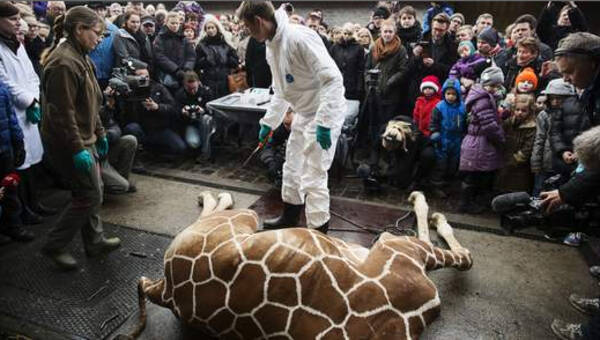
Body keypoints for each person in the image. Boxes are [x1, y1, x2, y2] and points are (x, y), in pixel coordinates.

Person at [236, 1, 345, 233]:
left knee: (314, 174)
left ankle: (318, 231)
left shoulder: (299, 38)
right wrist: (269, 123)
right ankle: (290, 216)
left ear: (259, 21)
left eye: (249, 27)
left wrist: (324, 123)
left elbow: (333, 80)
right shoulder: (271, 45)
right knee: (292, 166)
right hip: (303, 111)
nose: (249, 33)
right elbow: (281, 89)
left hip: (325, 111)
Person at [40, 6, 121, 270]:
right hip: (68, 141)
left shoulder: (80, 55)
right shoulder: (64, 62)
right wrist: (77, 148)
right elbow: (62, 113)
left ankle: (94, 241)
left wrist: (98, 132)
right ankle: (54, 245)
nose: (99, 39)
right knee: (89, 195)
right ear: (79, 30)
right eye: (96, 33)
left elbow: (90, 100)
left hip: (84, 135)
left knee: (91, 190)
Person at [0, 3, 51, 225]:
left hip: (29, 109)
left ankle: (34, 203)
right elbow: (5, 83)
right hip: (13, 112)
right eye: (13, 19)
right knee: (19, 164)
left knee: (31, 163)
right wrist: (27, 101)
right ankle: (23, 212)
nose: (18, 23)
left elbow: (31, 75)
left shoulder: (18, 45)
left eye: (19, 18)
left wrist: (34, 100)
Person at [459, 66, 506, 213]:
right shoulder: (483, 100)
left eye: (497, 86)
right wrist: (501, 139)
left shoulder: (481, 96)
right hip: (480, 143)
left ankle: (472, 201)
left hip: (477, 141)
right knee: (475, 175)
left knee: (477, 174)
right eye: (493, 86)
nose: (495, 89)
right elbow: (489, 125)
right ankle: (467, 203)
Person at [0, 77, 33, 243]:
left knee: (9, 189)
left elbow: (11, 116)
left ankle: (13, 226)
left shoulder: (1, 87)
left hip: (5, 149)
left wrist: (18, 141)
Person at [531, 79, 575, 196]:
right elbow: (539, 139)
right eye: (552, 98)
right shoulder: (544, 115)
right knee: (540, 190)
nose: (555, 102)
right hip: (546, 162)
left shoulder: (574, 115)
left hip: (566, 163)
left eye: (559, 98)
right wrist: (535, 162)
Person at [494, 94, 536, 193]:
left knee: (517, 186)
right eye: (517, 110)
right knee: (501, 183)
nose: (520, 113)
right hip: (505, 157)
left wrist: (516, 159)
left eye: (524, 111)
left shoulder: (532, 127)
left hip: (520, 164)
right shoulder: (509, 123)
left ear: (530, 112)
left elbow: (528, 147)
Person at [429, 78, 466, 190]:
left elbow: (465, 123)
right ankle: (437, 184)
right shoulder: (439, 107)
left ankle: (448, 184)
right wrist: (434, 132)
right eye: (448, 93)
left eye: (453, 94)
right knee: (441, 163)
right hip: (443, 138)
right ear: (444, 93)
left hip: (457, 139)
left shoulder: (462, 107)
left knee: (454, 163)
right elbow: (433, 122)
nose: (450, 96)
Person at [195, 15, 239, 99]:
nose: (210, 30)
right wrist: (207, 60)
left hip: (225, 80)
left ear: (217, 28)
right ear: (205, 30)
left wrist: (227, 59)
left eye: (212, 27)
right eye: (208, 28)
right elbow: (196, 64)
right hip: (208, 80)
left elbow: (235, 62)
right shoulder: (201, 45)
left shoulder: (225, 44)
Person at [173, 71, 214, 161]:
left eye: (194, 88)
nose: (192, 91)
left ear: (199, 83)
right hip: (190, 123)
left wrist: (204, 110)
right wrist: (182, 112)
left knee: (206, 119)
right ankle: (198, 146)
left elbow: (213, 109)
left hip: (206, 123)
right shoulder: (180, 95)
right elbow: (175, 112)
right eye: (189, 89)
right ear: (184, 85)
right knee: (193, 143)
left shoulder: (206, 92)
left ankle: (205, 152)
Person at [153, 11, 196, 92]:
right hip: (167, 75)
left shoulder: (184, 38)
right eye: (172, 23)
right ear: (166, 23)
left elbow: (191, 56)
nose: (175, 25)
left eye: (177, 23)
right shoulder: (160, 38)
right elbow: (160, 57)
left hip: (184, 74)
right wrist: (175, 70)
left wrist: (187, 69)